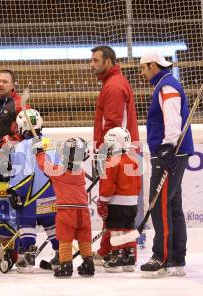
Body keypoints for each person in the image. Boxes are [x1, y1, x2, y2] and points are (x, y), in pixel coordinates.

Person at [139, 51, 194, 277]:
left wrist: (167, 145)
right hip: (172, 152)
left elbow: (173, 118)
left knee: (160, 204)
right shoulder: (165, 83)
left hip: (169, 152)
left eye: (143, 67)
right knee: (172, 205)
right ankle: (176, 258)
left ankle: (160, 256)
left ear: (152, 65)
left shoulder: (167, 86)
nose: (142, 73)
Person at [90, 45, 140, 265]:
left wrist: (103, 154)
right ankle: (114, 251)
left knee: (114, 210)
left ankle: (115, 252)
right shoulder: (114, 83)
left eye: (95, 60)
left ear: (107, 61)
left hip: (116, 154)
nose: (91, 64)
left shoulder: (113, 86)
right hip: (124, 153)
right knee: (121, 213)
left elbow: (112, 126)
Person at [8, 109, 59, 273]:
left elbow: (21, 173)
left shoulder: (20, 147)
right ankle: (60, 256)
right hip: (50, 193)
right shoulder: (50, 143)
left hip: (29, 196)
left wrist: (15, 191)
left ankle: (27, 258)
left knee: (26, 224)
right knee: (52, 226)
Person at [35, 137, 94, 278]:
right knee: (84, 236)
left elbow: (44, 165)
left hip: (66, 211)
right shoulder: (80, 173)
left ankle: (66, 265)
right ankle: (88, 264)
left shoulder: (59, 172)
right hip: (83, 211)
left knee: (65, 238)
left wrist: (39, 152)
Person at [97, 127, 141, 273]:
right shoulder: (134, 160)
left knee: (116, 230)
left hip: (117, 203)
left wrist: (102, 201)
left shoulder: (112, 161)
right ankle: (130, 259)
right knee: (129, 229)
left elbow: (108, 185)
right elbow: (138, 185)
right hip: (132, 204)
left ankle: (117, 258)